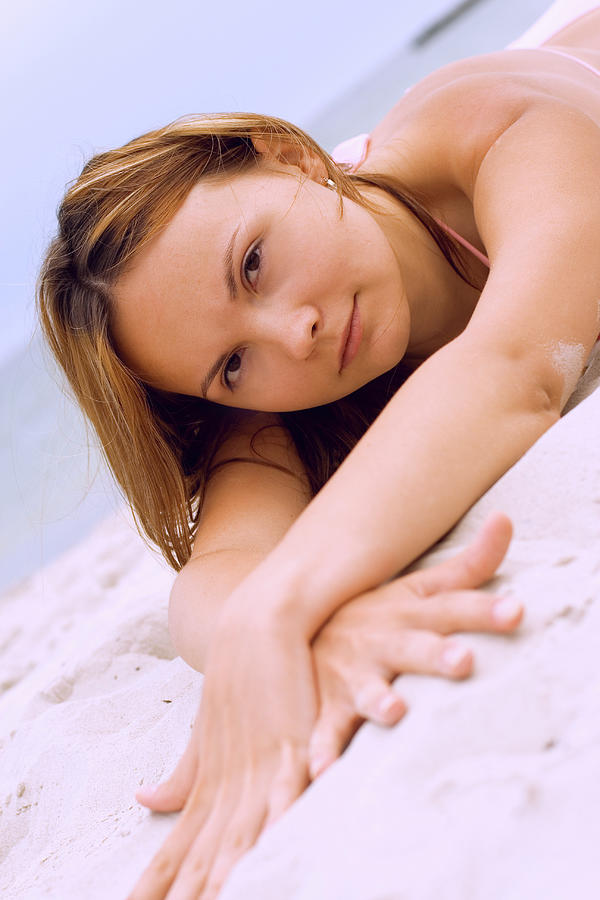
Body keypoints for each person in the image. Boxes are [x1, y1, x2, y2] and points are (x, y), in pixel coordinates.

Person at [37, 3, 600, 898]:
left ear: (293, 156)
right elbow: (216, 574)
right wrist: (310, 628)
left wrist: (279, 612)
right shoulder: (275, 370)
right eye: (228, 364)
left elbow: (520, 367)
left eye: (253, 263)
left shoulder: (505, 129)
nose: (290, 333)